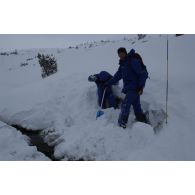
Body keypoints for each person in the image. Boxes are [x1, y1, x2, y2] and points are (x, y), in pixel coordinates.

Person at [104, 48, 148, 128]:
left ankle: (121, 124)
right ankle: (142, 121)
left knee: (125, 105)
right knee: (137, 106)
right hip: (131, 90)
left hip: (134, 88)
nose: (120, 55)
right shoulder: (122, 65)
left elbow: (143, 73)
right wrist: (107, 83)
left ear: (125, 53)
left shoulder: (132, 61)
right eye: (119, 54)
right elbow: (116, 77)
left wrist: (141, 86)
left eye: (122, 53)